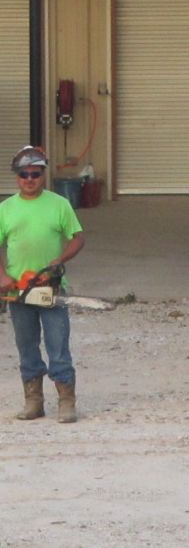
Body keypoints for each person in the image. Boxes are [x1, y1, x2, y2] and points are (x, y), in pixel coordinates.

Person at [0, 146, 85, 423]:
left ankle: (66, 400)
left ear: (43, 174)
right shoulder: (6, 209)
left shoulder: (59, 204)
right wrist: (2, 275)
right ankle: (33, 401)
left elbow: (77, 238)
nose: (29, 179)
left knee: (58, 343)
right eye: (24, 174)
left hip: (51, 288)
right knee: (27, 345)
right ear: (17, 176)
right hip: (19, 290)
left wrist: (60, 259)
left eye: (35, 174)